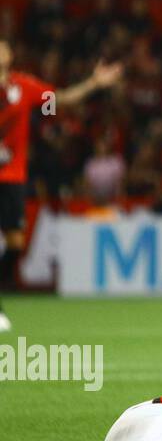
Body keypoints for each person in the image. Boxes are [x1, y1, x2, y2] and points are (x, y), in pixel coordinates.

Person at [0, 40, 122, 331]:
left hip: (12, 177)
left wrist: (93, 83)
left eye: (3, 47)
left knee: (16, 243)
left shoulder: (24, 87)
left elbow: (61, 100)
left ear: (9, 55)